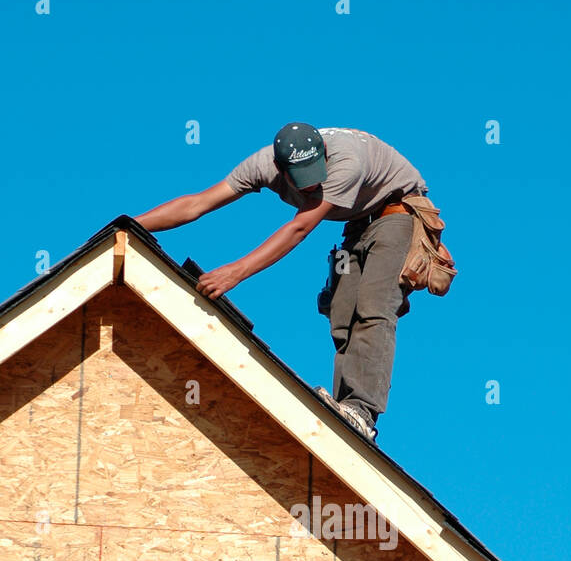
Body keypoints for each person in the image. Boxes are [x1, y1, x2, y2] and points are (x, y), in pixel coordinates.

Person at [133, 123, 435, 442]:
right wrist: (129, 227)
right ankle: (345, 408)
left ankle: (361, 412)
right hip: (358, 220)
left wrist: (235, 272)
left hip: (398, 211)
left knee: (373, 307)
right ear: (280, 169)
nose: (311, 185)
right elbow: (197, 204)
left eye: (316, 173)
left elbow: (299, 229)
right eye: (302, 179)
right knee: (342, 314)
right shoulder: (262, 164)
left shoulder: (346, 164)